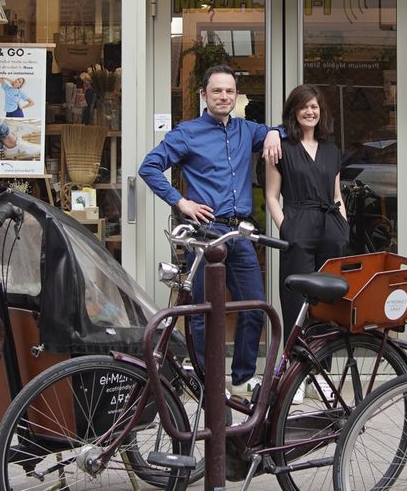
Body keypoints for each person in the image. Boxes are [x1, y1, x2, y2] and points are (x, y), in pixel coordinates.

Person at [138, 64, 282, 398]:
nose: (224, 96)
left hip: (239, 235)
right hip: (204, 235)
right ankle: (206, 382)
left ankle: (244, 377)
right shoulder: (187, 133)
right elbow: (149, 167)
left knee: (255, 306)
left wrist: (273, 132)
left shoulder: (248, 131)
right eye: (217, 91)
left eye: (229, 91)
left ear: (236, 95)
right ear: (204, 95)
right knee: (202, 311)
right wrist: (181, 202)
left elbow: (281, 133)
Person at [265, 84, 350, 343]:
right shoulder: (281, 147)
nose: (309, 112)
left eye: (314, 106)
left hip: (331, 226)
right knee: (296, 300)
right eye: (303, 106)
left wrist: (343, 227)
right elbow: (271, 195)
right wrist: (287, 228)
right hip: (298, 224)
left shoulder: (331, 150)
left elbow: (336, 195)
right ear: (294, 111)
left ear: (321, 111)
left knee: (329, 301)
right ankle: (296, 372)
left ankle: (321, 367)